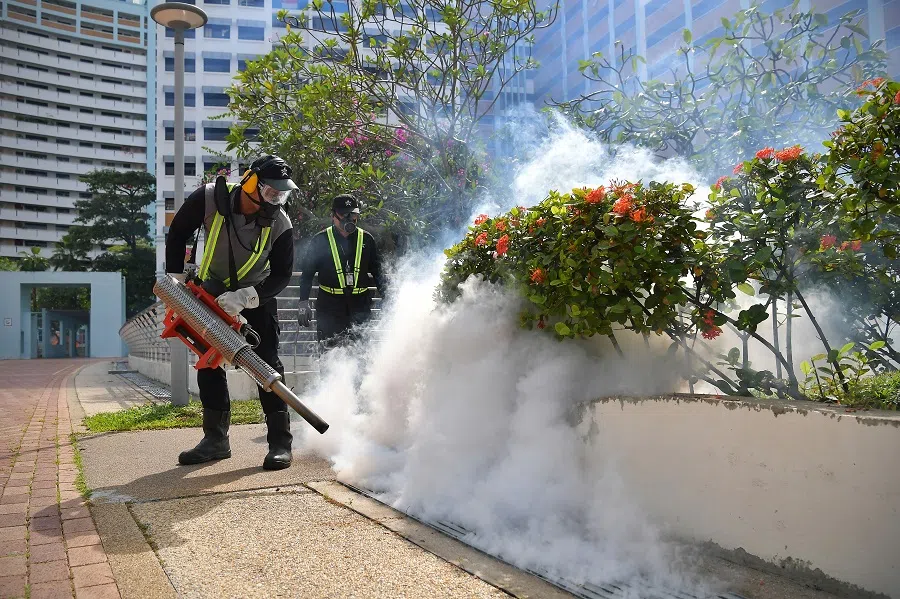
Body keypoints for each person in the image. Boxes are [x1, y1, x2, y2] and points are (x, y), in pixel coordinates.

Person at [165, 154, 296, 470]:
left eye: (281, 194)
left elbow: (282, 274)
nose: (275, 200)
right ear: (251, 182)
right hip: (208, 295)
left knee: (266, 364)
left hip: (254, 298)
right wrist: (177, 278)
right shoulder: (210, 198)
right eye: (270, 193)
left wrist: (248, 297)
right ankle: (216, 440)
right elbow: (178, 231)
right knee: (208, 361)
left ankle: (280, 443)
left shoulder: (280, 223)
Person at [297, 194, 385, 347]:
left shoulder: (367, 239)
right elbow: (307, 275)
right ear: (333, 216)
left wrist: (389, 299)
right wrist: (303, 302)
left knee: (361, 354)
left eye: (353, 214)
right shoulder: (320, 240)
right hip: (329, 306)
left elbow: (378, 273)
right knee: (329, 353)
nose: (349, 219)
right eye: (344, 214)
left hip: (360, 305)